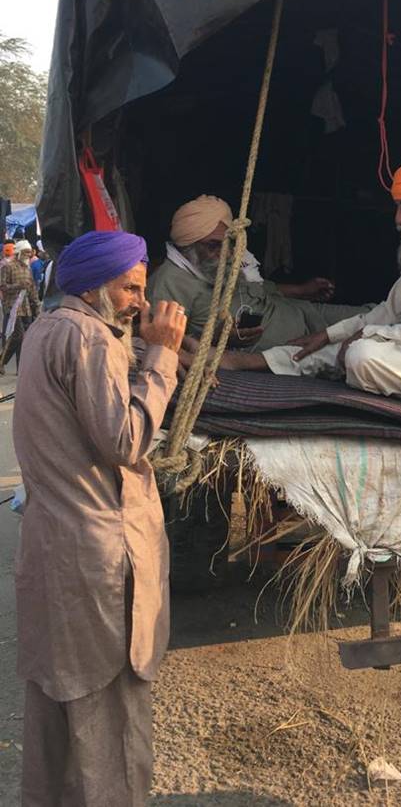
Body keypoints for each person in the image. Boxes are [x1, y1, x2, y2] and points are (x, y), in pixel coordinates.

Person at [13, 230, 186, 806]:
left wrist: (144, 353)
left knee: (60, 709)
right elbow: (125, 438)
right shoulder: (90, 339)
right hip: (99, 561)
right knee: (107, 716)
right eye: (131, 288)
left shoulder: (47, 329)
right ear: (96, 288)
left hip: (56, 550)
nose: (140, 301)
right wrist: (161, 354)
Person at [220, 159, 401, 410]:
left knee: (362, 355)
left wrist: (367, 335)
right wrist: (327, 335)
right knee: (340, 348)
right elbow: (388, 312)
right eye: (398, 207)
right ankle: (247, 362)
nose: (399, 218)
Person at [148, 194, 370, 350]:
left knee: (375, 315)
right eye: (213, 245)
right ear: (188, 247)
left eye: (229, 243)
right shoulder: (170, 283)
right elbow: (166, 342)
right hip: (299, 342)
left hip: (303, 312)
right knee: (371, 338)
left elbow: (257, 289)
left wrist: (301, 290)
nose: (226, 252)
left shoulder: (216, 262)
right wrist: (222, 339)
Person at [0, 240, 41, 374]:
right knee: (18, 336)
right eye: (26, 252)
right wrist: (17, 286)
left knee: (25, 338)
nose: (28, 255)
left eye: (29, 252)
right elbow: (3, 286)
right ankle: (2, 360)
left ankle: (20, 368)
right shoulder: (8, 266)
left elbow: (32, 289)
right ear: (19, 252)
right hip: (12, 307)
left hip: (26, 308)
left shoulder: (27, 268)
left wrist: (37, 306)